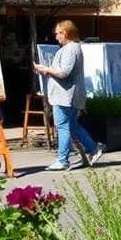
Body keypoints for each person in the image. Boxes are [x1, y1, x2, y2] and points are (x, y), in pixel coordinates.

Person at [33, 20, 104, 171]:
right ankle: (93, 148)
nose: (56, 36)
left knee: (63, 127)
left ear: (65, 32)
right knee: (72, 126)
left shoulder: (71, 49)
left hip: (66, 95)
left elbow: (64, 72)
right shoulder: (68, 48)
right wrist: (45, 70)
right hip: (65, 95)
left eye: (58, 33)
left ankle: (63, 160)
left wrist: (46, 69)